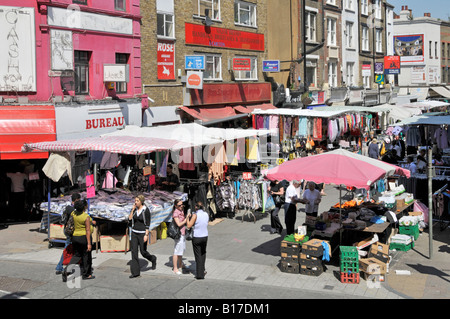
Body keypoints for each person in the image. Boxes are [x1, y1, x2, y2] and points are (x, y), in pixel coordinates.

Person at [62, 199, 94, 282]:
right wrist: (89, 243)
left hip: (75, 237)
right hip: (84, 238)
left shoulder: (74, 213)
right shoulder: (86, 217)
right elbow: (87, 230)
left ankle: (66, 271)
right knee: (86, 256)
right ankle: (86, 274)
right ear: (84, 207)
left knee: (76, 255)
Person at [128, 195, 157, 279]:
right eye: (135, 201)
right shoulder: (135, 210)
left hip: (142, 233)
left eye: (137, 201)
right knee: (134, 252)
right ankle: (135, 273)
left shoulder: (145, 210)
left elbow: (148, 223)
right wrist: (133, 209)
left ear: (141, 201)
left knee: (143, 251)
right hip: (134, 233)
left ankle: (152, 259)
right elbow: (130, 219)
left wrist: (146, 235)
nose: (135, 202)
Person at [55, 192, 81, 275]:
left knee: (71, 249)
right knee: (68, 249)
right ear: (76, 200)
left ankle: (64, 267)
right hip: (70, 232)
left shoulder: (68, 208)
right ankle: (60, 267)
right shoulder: (72, 209)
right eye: (79, 201)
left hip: (68, 230)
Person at [186, 201, 209, 280]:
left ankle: (200, 274)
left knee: (198, 255)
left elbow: (189, 226)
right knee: (203, 253)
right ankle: (203, 270)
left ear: (196, 207)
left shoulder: (195, 215)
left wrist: (187, 218)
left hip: (197, 237)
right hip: (205, 236)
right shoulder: (206, 214)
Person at [172, 199, 188, 275]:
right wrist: (186, 219)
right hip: (178, 234)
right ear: (175, 206)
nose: (181, 206)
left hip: (182, 232)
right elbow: (178, 224)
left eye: (182, 204)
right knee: (177, 250)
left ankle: (180, 264)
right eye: (179, 205)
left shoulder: (181, 211)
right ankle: (175, 268)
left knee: (181, 249)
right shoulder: (176, 213)